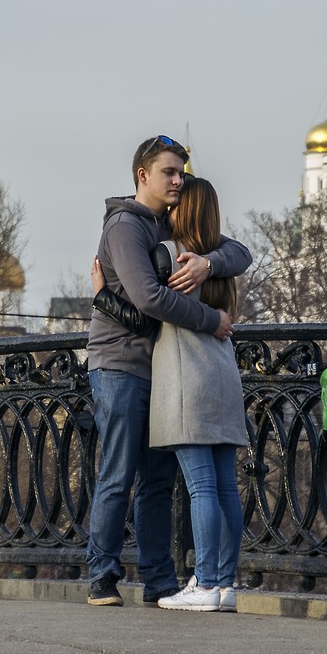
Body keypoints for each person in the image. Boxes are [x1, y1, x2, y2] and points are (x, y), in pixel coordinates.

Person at [84, 136, 251, 608]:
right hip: (120, 364)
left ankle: (159, 581)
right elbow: (150, 299)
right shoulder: (125, 226)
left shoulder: (173, 223)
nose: (179, 180)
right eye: (170, 172)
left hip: (166, 369)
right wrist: (214, 320)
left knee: (159, 481)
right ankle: (102, 577)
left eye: (182, 172)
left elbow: (240, 252)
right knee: (118, 474)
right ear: (143, 175)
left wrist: (207, 263)